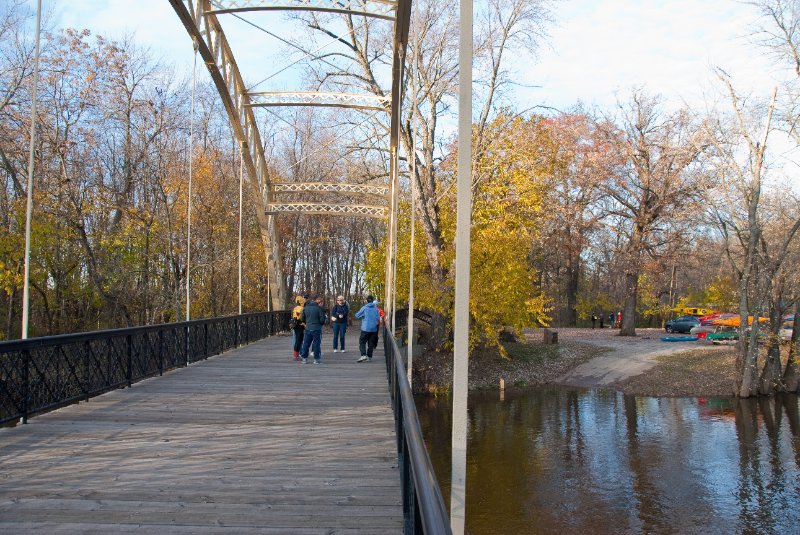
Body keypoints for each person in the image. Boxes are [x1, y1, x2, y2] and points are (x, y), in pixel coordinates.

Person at [300, 294, 327, 364]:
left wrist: (307, 322)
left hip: (308, 327)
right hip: (316, 328)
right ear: (316, 300)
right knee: (316, 344)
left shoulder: (305, 308)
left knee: (306, 343)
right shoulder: (319, 308)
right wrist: (319, 324)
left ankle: (304, 358)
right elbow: (322, 320)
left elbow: (302, 318)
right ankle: (316, 359)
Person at [355, 295, 380, 363]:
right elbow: (378, 318)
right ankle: (369, 356)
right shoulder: (376, 309)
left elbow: (357, 315)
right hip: (374, 328)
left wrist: (362, 316)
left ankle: (363, 355)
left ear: (366, 301)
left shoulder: (364, 308)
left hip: (365, 328)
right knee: (371, 343)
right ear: (372, 300)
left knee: (362, 341)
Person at [290, 294, 306, 361]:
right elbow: (303, 318)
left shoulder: (294, 308)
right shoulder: (301, 308)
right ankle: (296, 355)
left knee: (297, 340)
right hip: (300, 325)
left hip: (295, 325)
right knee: (299, 340)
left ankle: (296, 354)